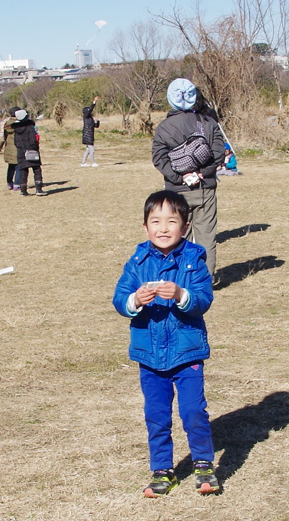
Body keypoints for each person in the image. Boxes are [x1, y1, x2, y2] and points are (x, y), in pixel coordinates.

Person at [112, 190, 219, 498]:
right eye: (155, 221)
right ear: (145, 227)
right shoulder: (136, 262)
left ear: (185, 226)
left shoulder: (194, 259)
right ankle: (162, 469)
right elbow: (119, 300)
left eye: (171, 221)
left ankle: (203, 464)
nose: (163, 228)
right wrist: (135, 300)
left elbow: (203, 299)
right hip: (149, 356)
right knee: (156, 415)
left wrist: (181, 295)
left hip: (187, 353)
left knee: (193, 411)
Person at [153, 79, 228, 277]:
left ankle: (176, 277)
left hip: (176, 191)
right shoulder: (209, 123)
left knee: (175, 237)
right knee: (206, 238)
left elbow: (159, 159)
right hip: (205, 189)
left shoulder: (163, 127)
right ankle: (205, 279)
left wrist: (179, 177)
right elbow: (219, 154)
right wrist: (202, 173)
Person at [11, 110, 44, 195]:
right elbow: (33, 140)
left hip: (21, 152)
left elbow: (15, 142)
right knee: (37, 169)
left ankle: (23, 190)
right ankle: (39, 189)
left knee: (23, 170)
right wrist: (35, 148)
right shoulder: (30, 127)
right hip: (31, 151)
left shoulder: (16, 129)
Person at [0, 113, 19, 191]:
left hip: (9, 148)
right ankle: (17, 185)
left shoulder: (5, 123)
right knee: (18, 167)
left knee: (11, 167)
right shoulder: (20, 123)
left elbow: (2, 137)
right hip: (18, 147)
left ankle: (9, 183)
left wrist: (0, 145)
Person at [80, 100, 99, 167]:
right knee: (92, 150)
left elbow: (95, 126)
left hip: (90, 135)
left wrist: (97, 121)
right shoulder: (86, 116)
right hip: (87, 136)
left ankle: (83, 163)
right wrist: (94, 102)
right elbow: (90, 109)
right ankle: (93, 162)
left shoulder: (90, 118)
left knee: (88, 150)